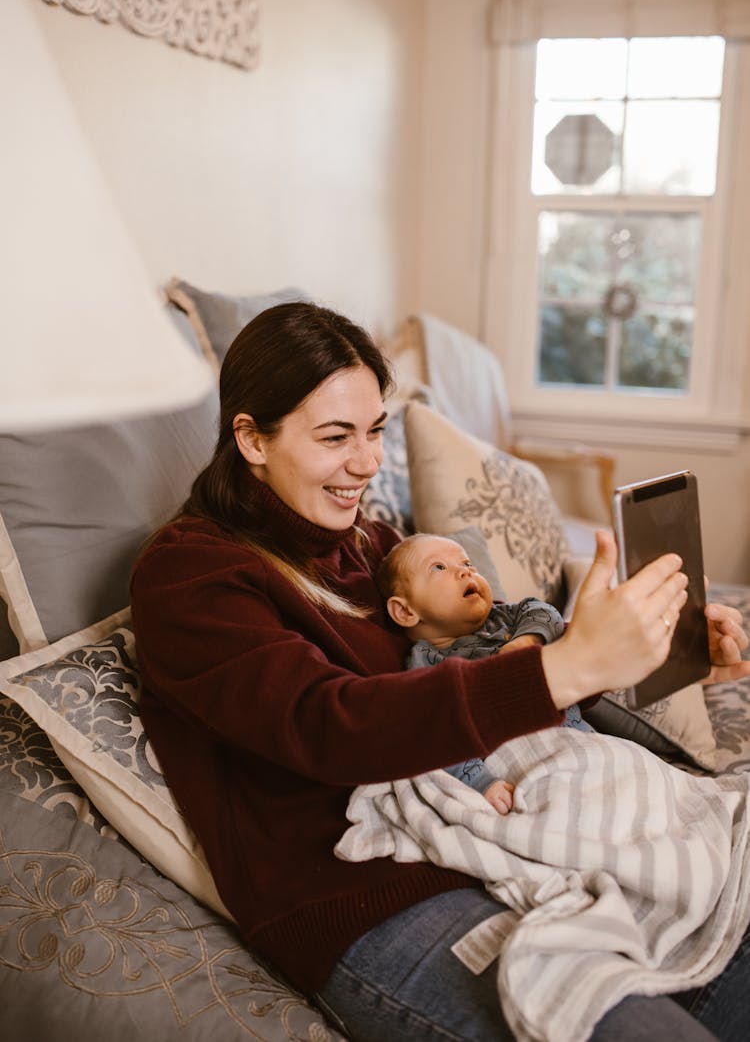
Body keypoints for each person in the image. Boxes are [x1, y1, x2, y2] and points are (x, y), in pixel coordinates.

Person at [130, 301, 750, 1042]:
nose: (366, 464)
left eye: (375, 430)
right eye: (335, 437)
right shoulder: (190, 576)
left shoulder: (376, 544)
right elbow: (331, 722)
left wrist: (657, 650)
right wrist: (564, 665)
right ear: (250, 437)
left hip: (511, 833)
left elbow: (489, 652)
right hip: (380, 894)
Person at [376, 532, 592, 815]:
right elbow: (439, 730)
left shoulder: (504, 617)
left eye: (467, 563)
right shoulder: (426, 663)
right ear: (405, 611)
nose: (465, 571)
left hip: (580, 740)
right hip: (522, 760)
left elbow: (545, 612)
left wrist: (527, 641)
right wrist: (481, 781)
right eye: (438, 567)